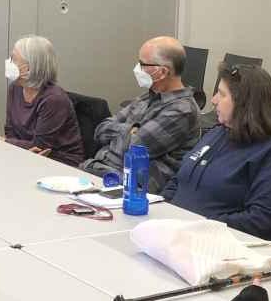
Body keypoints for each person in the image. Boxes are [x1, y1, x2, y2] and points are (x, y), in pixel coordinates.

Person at [162, 64, 271, 240]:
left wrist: (201, 226)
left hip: (218, 245)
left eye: (222, 94)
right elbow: (179, 179)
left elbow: (263, 221)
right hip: (177, 233)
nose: (213, 100)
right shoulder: (218, 131)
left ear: (245, 103)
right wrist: (164, 210)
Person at [80, 35, 201, 191]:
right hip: (99, 170)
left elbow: (134, 147)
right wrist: (131, 130)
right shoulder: (148, 96)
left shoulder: (182, 110)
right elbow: (100, 130)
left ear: (162, 72)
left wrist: (125, 133)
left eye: (142, 64)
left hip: (130, 186)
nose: (138, 68)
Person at [2, 35, 83, 167]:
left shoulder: (54, 99)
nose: (9, 62)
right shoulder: (15, 88)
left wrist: (6, 142)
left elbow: (40, 146)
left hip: (61, 163)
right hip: (26, 155)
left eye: (13, 59)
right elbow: (10, 130)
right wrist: (11, 144)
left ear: (30, 67)